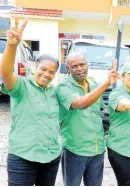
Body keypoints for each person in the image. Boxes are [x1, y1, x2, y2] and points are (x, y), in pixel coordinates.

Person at [0, 17, 61, 186]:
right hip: (23, 157)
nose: (46, 74)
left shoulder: (54, 92)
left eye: (52, 72)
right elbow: (5, 73)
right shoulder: (21, 86)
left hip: (51, 157)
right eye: (43, 69)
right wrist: (12, 45)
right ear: (35, 67)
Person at [55, 52, 120, 186]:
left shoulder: (93, 83)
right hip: (75, 149)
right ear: (68, 68)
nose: (79, 68)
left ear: (87, 64)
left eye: (82, 64)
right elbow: (82, 104)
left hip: (97, 148)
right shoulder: (63, 88)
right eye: (74, 66)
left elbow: (100, 113)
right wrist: (107, 83)